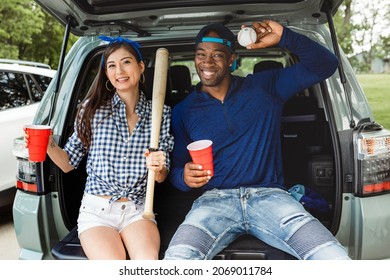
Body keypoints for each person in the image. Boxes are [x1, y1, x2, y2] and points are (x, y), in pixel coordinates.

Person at [164, 20, 351, 260]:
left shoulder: (265, 87)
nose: (206, 62)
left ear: (231, 60)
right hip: (213, 202)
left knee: (333, 257)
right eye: (201, 54)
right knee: (176, 260)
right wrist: (184, 177)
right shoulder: (183, 111)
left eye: (217, 55)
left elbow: (326, 65)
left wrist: (285, 36)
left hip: (271, 197)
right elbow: (175, 169)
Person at [25, 37, 174, 260]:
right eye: (111, 65)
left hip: (138, 210)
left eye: (126, 62)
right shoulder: (92, 110)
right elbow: (67, 163)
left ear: (141, 67)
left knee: (148, 264)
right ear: (106, 73)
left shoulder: (160, 113)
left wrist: (159, 167)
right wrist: (47, 143)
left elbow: (162, 176)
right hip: (97, 213)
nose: (119, 71)